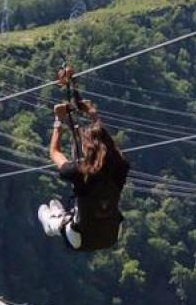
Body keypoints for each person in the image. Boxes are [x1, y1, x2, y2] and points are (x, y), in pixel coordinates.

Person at [37, 97, 130, 251]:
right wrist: (92, 114)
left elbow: (55, 152)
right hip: (111, 234)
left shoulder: (80, 172)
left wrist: (58, 121)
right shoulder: (120, 167)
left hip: (81, 238)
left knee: (44, 212)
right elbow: (107, 141)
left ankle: (54, 221)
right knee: (81, 214)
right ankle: (62, 216)